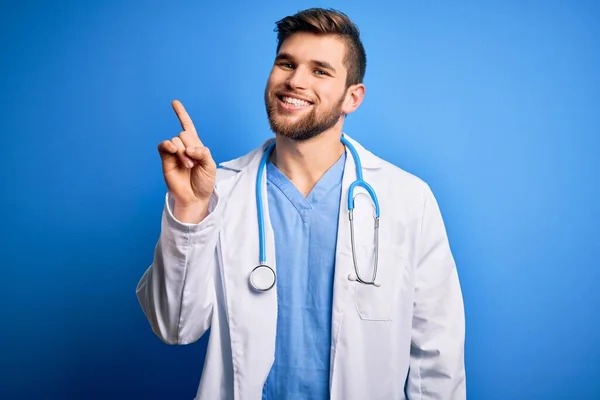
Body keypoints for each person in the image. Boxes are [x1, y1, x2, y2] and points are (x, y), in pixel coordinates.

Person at [136, 7, 466, 400]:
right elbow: (175, 327)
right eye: (286, 63)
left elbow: (437, 356)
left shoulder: (408, 198)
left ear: (352, 97)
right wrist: (189, 210)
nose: (295, 81)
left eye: (320, 71)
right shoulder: (216, 190)